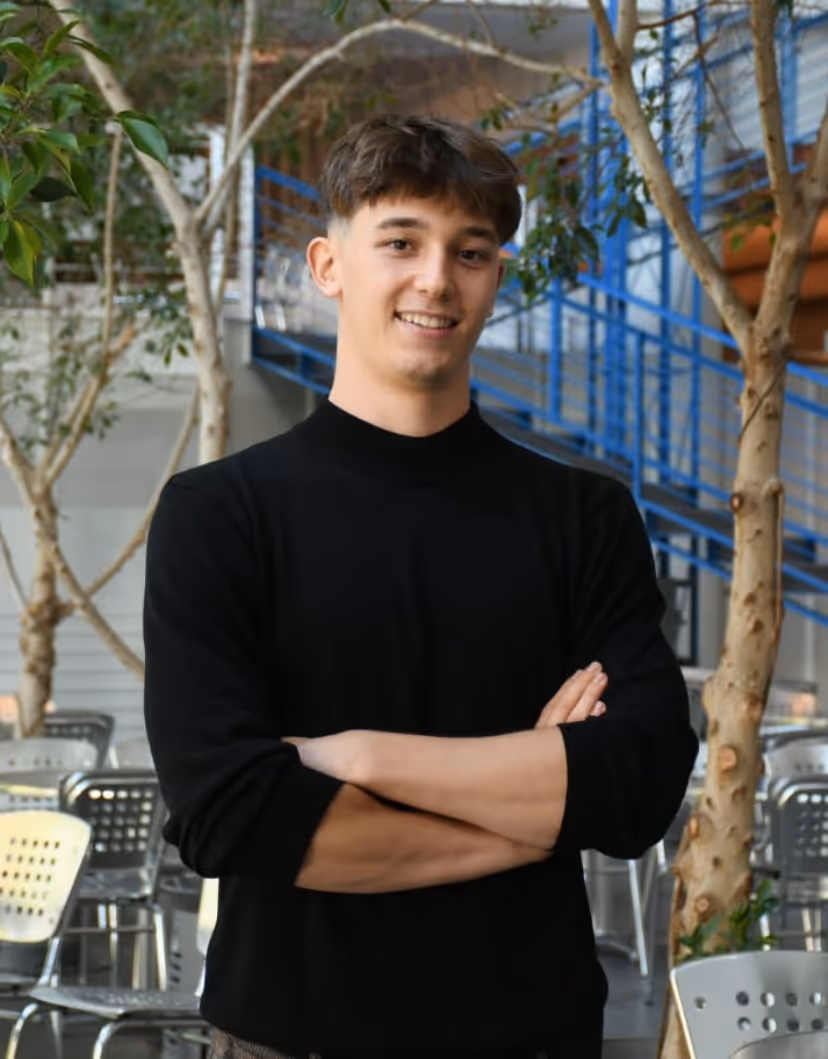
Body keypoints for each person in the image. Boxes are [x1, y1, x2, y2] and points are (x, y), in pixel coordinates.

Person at [144, 115, 698, 1059]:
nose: (436, 278)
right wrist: (534, 810)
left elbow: (640, 781)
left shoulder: (584, 516)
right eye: (401, 240)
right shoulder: (217, 513)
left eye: (470, 251)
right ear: (329, 265)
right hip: (295, 1031)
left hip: (533, 1029)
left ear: (496, 277)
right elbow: (232, 811)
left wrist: (355, 754)